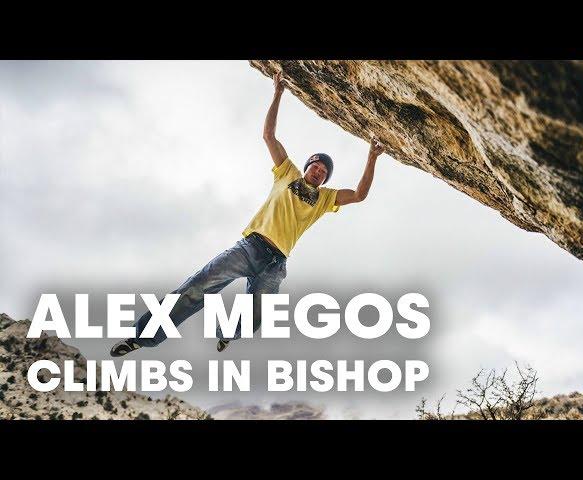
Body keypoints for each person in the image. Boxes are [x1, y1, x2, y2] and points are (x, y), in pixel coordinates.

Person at [110, 71, 385, 357]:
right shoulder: (286, 173)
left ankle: (227, 334)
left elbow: (359, 194)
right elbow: (269, 136)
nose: (319, 172)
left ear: (326, 180)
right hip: (250, 247)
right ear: (307, 167)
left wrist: (371, 157)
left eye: (324, 173)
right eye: (316, 166)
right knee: (198, 286)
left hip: (275, 264)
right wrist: (278, 93)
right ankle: (140, 338)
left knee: (255, 318)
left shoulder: (326, 198)